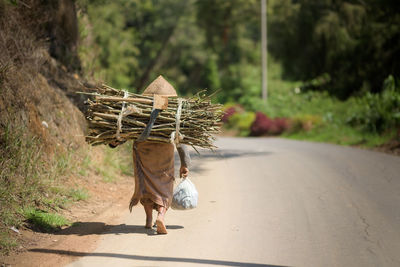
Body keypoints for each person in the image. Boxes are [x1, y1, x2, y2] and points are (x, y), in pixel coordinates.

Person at [110, 76, 190, 234]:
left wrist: (115, 141)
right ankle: (160, 215)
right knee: (164, 185)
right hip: (163, 153)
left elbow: (127, 130)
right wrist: (185, 163)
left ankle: (148, 219)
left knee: (146, 184)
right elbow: (181, 141)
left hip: (143, 151)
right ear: (170, 100)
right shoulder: (173, 116)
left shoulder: (140, 113)